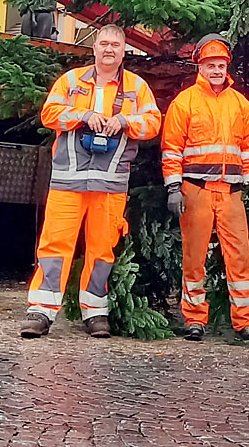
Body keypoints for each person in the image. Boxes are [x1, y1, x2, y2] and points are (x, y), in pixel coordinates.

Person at [20, 24, 161, 338]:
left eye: (115, 45)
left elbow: (153, 122)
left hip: (110, 183)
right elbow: (49, 113)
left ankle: (95, 313)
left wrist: (123, 121)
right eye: (104, 44)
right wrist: (84, 116)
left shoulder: (137, 87)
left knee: (102, 249)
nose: (109, 49)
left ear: (123, 52)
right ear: (94, 48)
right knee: (55, 245)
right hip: (68, 179)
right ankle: (41, 311)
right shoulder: (71, 81)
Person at [162, 34, 249, 344]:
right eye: (210, 65)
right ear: (200, 67)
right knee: (194, 257)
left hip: (231, 192)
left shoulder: (239, 104)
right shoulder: (185, 102)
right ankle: (194, 319)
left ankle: (245, 323)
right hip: (196, 190)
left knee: (240, 258)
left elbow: (248, 146)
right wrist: (173, 187)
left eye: (220, 65)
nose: (216, 70)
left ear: (226, 67)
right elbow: (171, 148)